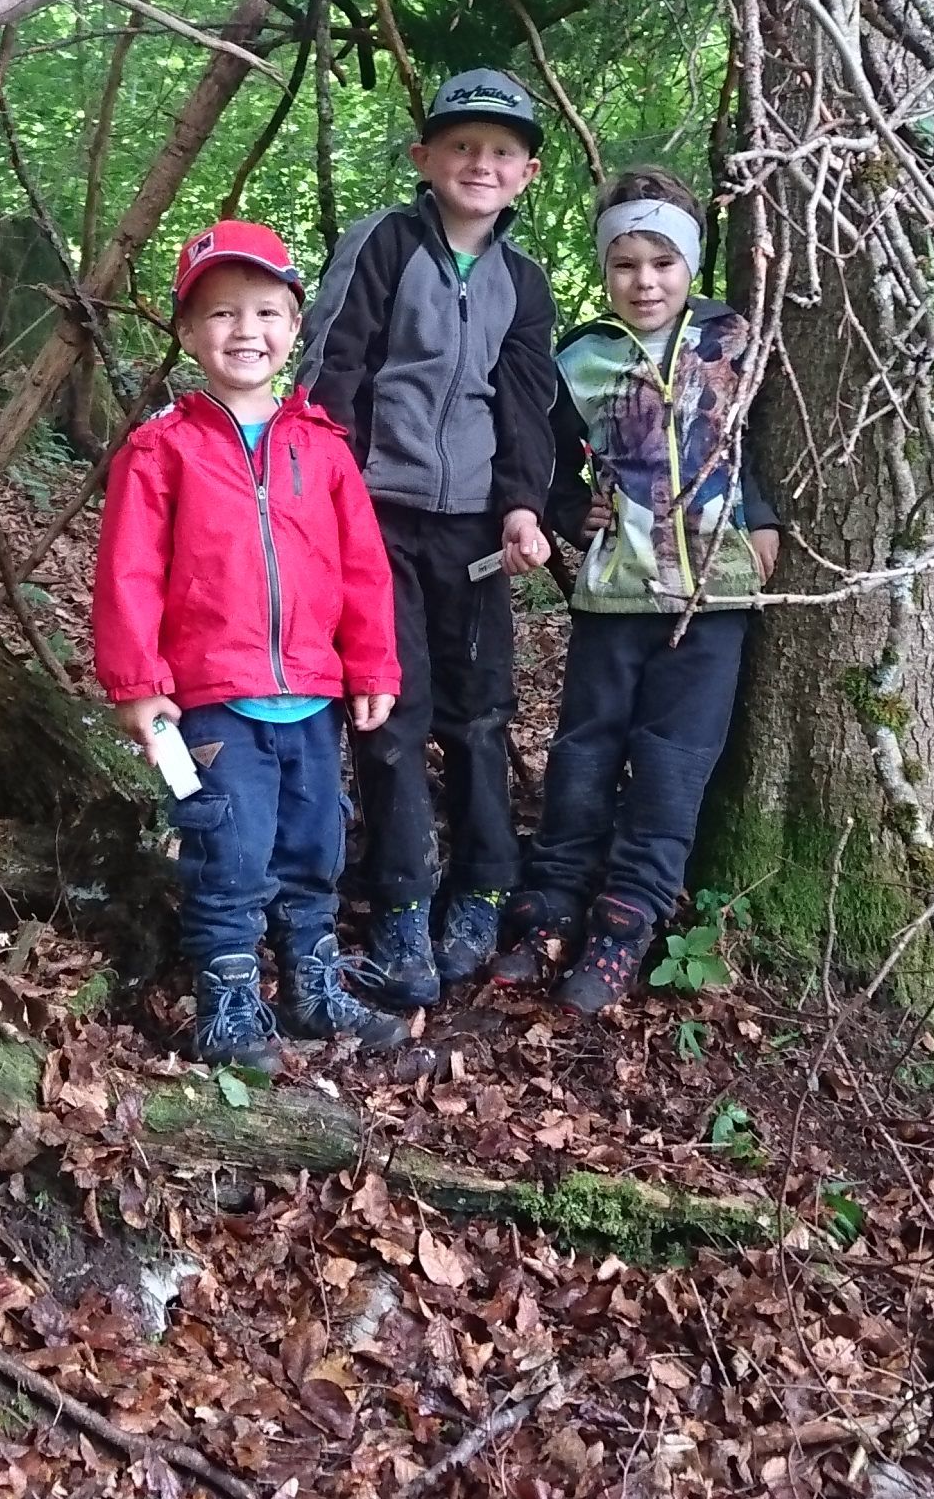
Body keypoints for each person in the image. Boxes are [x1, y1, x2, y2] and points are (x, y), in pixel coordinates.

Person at [93, 220, 409, 1069]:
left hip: (313, 695)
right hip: (213, 701)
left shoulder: (322, 448)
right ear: (190, 333)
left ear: (294, 326)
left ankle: (311, 984)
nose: (246, 332)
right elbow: (128, 573)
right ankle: (228, 1001)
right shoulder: (162, 451)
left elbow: (362, 568)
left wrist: (373, 663)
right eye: (222, 314)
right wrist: (137, 681)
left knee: (315, 846)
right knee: (228, 848)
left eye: (266, 312)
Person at [493, 166, 779, 1013]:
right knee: (584, 750)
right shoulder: (581, 358)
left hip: (713, 598)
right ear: (605, 268)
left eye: (662, 261)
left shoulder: (733, 342)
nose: (644, 281)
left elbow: (750, 446)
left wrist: (759, 519)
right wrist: (562, 512)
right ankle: (552, 900)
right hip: (613, 595)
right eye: (625, 263)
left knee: (673, 762)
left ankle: (627, 919)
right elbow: (543, 455)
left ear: (690, 266)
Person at [300, 67, 558, 1005]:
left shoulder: (524, 283)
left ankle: (481, 888)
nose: (478, 164)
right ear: (425, 158)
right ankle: (401, 903)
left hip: (477, 528)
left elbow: (528, 401)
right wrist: (330, 495)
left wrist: (524, 503)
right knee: (391, 708)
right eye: (460, 146)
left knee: (481, 711)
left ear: (526, 172)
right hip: (378, 517)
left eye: (499, 151)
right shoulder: (384, 245)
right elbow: (335, 365)